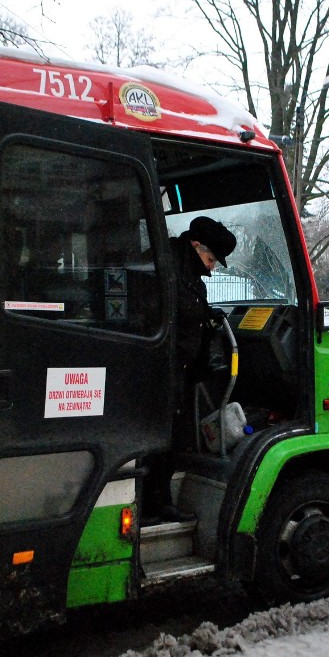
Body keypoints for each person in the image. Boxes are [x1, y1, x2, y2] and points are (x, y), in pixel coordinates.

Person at [142, 216, 237, 524]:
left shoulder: (186, 271)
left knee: (169, 440)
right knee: (161, 440)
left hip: (175, 371)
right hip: (158, 371)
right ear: (196, 246)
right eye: (211, 259)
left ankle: (157, 503)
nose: (211, 267)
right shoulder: (166, 268)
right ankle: (153, 505)